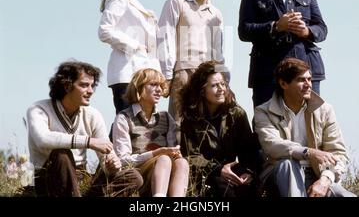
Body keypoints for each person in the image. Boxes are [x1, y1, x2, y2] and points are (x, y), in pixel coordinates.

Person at [26, 60, 143, 197]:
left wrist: (111, 164)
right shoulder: (39, 109)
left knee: (133, 176)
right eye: (84, 85)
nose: (91, 91)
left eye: (92, 85)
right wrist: (89, 141)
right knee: (62, 154)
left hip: (82, 179)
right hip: (48, 179)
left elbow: (105, 153)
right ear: (67, 86)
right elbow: (42, 139)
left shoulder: (93, 114)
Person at [238, 0, 327, 108]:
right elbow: (244, 31)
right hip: (268, 74)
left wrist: (306, 31)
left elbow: (322, 28)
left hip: (306, 72)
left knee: (310, 127)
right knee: (268, 127)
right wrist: (276, 26)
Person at [254, 58, 356, 197]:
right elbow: (272, 145)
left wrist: (325, 180)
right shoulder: (264, 111)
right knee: (288, 164)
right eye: (301, 80)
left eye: (309, 79)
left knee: (345, 195)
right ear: (283, 83)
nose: (308, 84)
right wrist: (308, 152)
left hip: (316, 174)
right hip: (279, 174)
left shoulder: (324, 110)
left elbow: (338, 153)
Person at [158, 0, 227, 136]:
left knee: (206, 126)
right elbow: (165, 39)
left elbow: (218, 50)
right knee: (178, 125)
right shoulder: (177, 1)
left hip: (208, 75)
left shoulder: (216, 13)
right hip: (183, 71)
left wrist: (222, 77)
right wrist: (166, 75)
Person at [180, 61, 258, 197]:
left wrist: (248, 171)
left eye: (223, 84)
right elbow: (190, 155)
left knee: (248, 188)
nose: (221, 89)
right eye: (215, 85)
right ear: (202, 91)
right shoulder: (190, 118)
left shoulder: (236, 114)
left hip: (233, 170)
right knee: (223, 189)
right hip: (206, 174)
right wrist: (218, 169)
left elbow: (248, 150)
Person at [99, 0, 161, 114]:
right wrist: (136, 46)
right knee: (127, 125)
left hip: (138, 73)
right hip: (126, 73)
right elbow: (104, 31)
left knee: (137, 126)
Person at [112, 68, 189, 197]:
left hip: (164, 173)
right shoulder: (124, 118)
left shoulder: (166, 117)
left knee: (182, 162)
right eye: (153, 85)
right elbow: (123, 160)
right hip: (138, 177)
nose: (159, 90)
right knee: (163, 158)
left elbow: (172, 151)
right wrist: (155, 154)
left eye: (161, 86)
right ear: (139, 88)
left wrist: (175, 153)